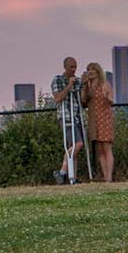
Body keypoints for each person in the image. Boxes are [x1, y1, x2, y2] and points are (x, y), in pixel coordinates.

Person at [52, 56, 87, 184]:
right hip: (66, 117)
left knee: (74, 148)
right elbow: (57, 98)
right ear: (65, 67)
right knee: (78, 145)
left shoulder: (78, 81)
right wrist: (69, 85)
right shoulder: (57, 80)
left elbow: (83, 100)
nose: (74, 69)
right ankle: (62, 172)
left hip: (78, 117)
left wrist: (84, 84)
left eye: (75, 67)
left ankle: (72, 178)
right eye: (71, 67)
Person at [81, 61, 116, 182]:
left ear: (98, 72)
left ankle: (109, 177)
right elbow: (83, 100)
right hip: (93, 119)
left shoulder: (105, 84)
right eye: (88, 69)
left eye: (92, 69)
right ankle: (105, 176)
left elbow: (111, 101)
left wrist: (107, 97)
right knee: (99, 148)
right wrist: (85, 85)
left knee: (107, 147)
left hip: (104, 118)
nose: (90, 71)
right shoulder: (88, 86)